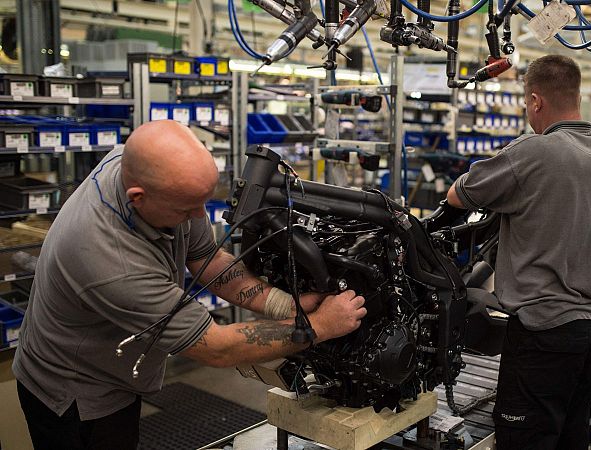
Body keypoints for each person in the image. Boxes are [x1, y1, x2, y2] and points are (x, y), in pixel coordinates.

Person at [12, 120, 367, 450]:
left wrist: (284, 304)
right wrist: (320, 327)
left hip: (112, 359)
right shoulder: (107, 259)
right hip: (78, 389)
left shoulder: (142, 167)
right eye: (187, 208)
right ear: (138, 196)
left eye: (203, 202)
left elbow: (207, 258)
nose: (199, 217)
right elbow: (216, 347)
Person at [446, 55, 591, 449]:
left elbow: (458, 195)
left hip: (541, 334)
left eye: (528, 105)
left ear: (535, 101)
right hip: (590, 331)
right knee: (570, 439)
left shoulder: (534, 151)